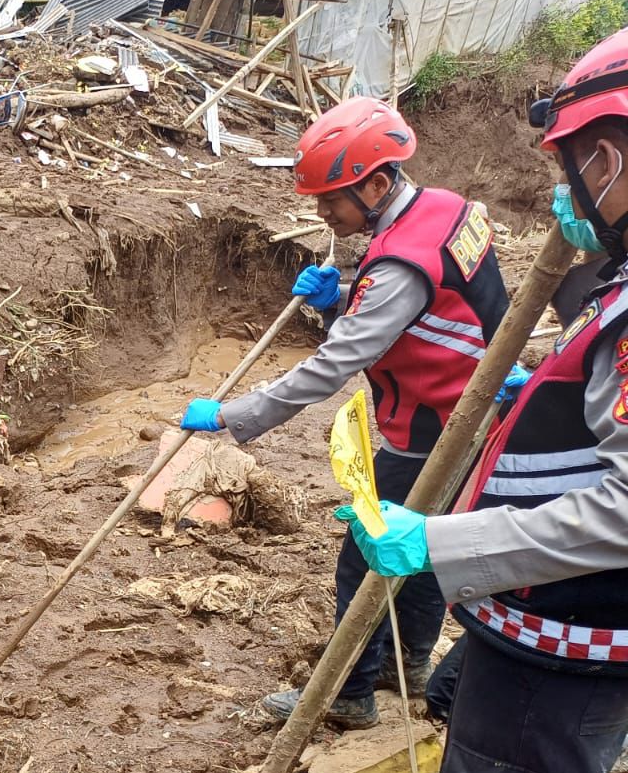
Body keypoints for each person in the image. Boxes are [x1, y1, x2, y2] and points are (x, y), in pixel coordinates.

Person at [326, 27, 628, 773]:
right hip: (529, 613)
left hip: (579, 635)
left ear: (613, 156)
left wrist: (448, 540)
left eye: (576, 162)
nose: (570, 186)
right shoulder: (615, 285)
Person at [178, 97, 512, 730]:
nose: (323, 214)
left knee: (364, 557)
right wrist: (340, 300)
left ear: (378, 183)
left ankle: (350, 695)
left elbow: (332, 366)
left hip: (430, 429)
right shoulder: (449, 209)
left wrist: (232, 416)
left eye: (332, 200)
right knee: (421, 548)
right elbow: (415, 322)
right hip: (476, 414)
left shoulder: (398, 269)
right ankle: (405, 666)